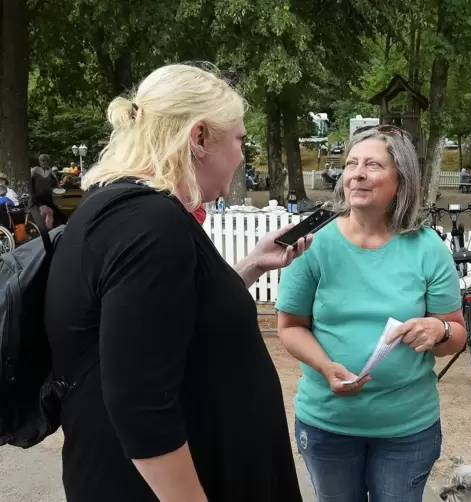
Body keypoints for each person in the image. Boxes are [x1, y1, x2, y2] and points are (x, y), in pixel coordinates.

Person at [44, 63, 310, 502]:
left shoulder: (117, 208)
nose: (243, 155)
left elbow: (168, 321)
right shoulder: (150, 223)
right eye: (240, 139)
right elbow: (139, 403)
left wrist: (249, 268)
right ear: (200, 137)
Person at [275, 125, 466, 502]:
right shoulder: (314, 243)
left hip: (407, 430)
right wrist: (326, 367)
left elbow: (455, 335)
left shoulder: (428, 248)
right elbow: (290, 326)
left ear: (401, 180)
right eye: (351, 164)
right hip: (328, 424)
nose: (357, 174)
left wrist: (439, 330)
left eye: (373, 165)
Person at [30, 154, 66, 228]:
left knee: (51, 212)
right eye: (42, 160)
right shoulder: (35, 170)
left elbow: (56, 182)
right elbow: (29, 181)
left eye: (46, 160)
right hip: (38, 195)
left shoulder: (50, 170)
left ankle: (49, 229)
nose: (44, 162)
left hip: (48, 196)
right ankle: (39, 228)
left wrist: (59, 187)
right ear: (39, 161)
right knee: (44, 211)